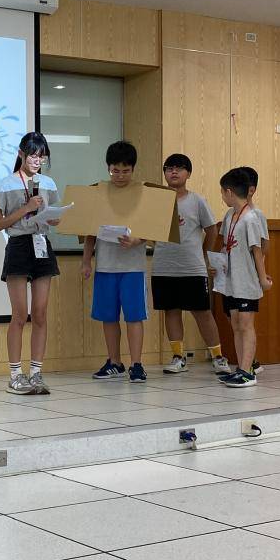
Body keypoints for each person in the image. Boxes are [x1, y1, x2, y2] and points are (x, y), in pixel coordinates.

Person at [0, 132, 60, 395]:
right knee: (20, 314)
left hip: (42, 244)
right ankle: (15, 375)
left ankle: (36, 373)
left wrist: (54, 217)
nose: (37, 160)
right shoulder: (6, 184)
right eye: (33, 155)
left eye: (42, 156)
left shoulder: (49, 183)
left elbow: (54, 216)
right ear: (21, 154)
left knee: (40, 313)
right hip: (19, 246)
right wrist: (26, 207)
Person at [150, 153, 231, 376]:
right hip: (163, 267)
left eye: (179, 168)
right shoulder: (157, 201)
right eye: (169, 168)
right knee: (171, 311)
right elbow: (149, 230)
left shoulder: (197, 201)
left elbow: (212, 229)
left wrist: (203, 254)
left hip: (192, 268)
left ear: (188, 174)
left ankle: (218, 357)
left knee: (202, 312)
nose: (173, 172)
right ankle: (178, 357)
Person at [83, 141, 149, 383]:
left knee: (134, 316)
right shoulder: (99, 193)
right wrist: (86, 261)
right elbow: (90, 231)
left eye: (125, 171)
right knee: (108, 316)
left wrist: (137, 240)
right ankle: (114, 362)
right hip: (105, 265)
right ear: (108, 168)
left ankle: (137, 364)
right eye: (115, 171)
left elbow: (154, 228)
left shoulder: (143, 193)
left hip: (133, 267)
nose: (120, 176)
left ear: (133, 169)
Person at [216, 167, 272, 388]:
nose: (222, 196)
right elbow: (225, 245)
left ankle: (248, 372)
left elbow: (257, 251)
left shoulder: (251, 218)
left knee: (246, 325)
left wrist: (262, 279)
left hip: (247, 280)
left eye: (222, 192)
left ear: (229, 192)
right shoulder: (230, 216)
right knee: (236, 324)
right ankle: (241, 368)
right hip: (231, 280)